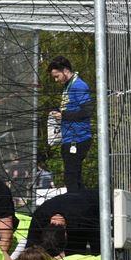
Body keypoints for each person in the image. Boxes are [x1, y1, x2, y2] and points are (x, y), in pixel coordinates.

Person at [46, 56, 93, 191]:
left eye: (57, 76)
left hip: (78, 139)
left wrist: (63, 115)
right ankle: (79, 200)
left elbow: (87, 110)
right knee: (73, 177)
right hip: (70, 138)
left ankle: (76, 202)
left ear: (65, 70)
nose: (56, 80)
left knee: (71, 178)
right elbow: (72, 107)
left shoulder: (78, 85)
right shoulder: (69, 85)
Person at [27, 189, 101, 256]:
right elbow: (29, 248)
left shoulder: (86, 215)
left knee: (77, 254)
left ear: (66, 235)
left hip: (95, 202)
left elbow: (97, 244)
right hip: (73, 208)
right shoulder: (39, 217)